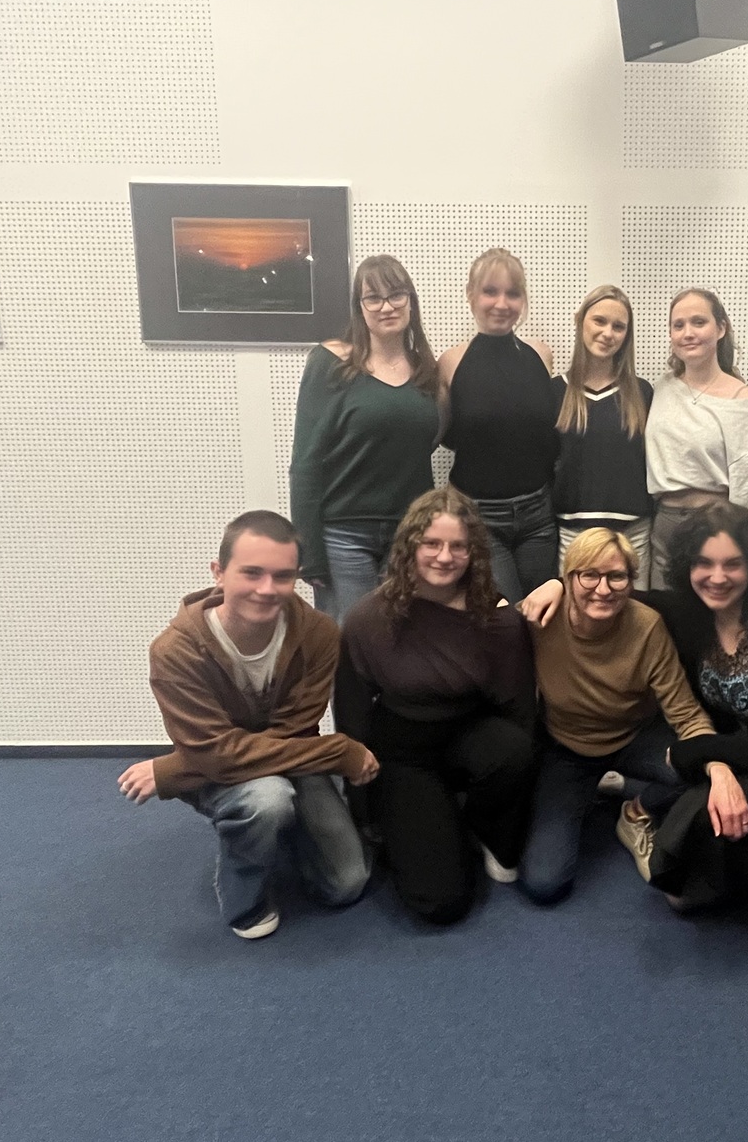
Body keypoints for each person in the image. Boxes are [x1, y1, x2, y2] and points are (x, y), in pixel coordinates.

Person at [524, 503, 748, 958]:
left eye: (732, 563)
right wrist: (557, 582)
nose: (717, 577)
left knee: (712, 817)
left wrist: (709, 756)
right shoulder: (691, 613)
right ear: (688, 567)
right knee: (680, 896)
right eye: (704, 563)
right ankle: (699, 830)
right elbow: (610, 592)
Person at [118, 510, 378, 940]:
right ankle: (245, 898)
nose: (267, 589)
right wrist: (339, 751)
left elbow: (290, 732)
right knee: (267, 799)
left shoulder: (319, 633)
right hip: (230, 773)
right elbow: (217, 757)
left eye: (282, 576)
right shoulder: (175, 652)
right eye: (251, 573)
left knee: (347, 883)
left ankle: (276, 831)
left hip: (277, 757)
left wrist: (174, 770)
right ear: (219, 573)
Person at [335, 488, 537, 925]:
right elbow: (351, 714)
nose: (445, 557)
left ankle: (478, 825)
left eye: (458, 546)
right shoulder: (368, 619)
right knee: (442, 903)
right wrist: (362, 805)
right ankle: (429, 818)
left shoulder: (496, 618)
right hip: (403, 749)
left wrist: (512, 804)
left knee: (514, 749)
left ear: (473, 552)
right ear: (410, 546)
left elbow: (519, 710)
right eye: (432, 543)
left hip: (470, 732)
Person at [518, 527, 715, 904]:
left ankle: (637, 809)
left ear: (631, 581)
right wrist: (548, 586)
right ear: (569, 577)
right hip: (567, 749)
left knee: (702, 773)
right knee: (544, 883)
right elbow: (490, 624)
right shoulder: (543, 616)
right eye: (589, 575)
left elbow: (686, 713)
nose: (603, 589)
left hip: (636, 738)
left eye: (616, 576)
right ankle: (605, 785)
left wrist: (717, 765)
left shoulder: (647, 625)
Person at [291, 254, 442, 621]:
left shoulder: (426, 370)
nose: (387, 307)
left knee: (402, 640)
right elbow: (306, 462)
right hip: (344, 538)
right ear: (359, 307)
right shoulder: (330, 363)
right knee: (352, 641)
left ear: (411, 301)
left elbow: (427, 444)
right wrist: (309, 552)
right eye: (373, 298)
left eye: (396, 295)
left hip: (409, 534)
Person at [439, 248, 558, 601]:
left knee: (541, 617)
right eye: (490, 291)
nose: (502, 303)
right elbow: (439, 435)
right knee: (504, 617)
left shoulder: (541, 356)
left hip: (538, 515)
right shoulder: (450, 362)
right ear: (471, 295)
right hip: (480, 517)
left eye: (513, 293)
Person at [644, 288, 748, 591]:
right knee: (666, 615)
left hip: (714, 526)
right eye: (678, 325)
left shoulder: (742, 401)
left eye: (698, 322)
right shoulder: (663, 388)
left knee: (712, 616)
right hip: (664, 527)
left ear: (721, 328)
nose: (688, 333)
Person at [552, 284, 655, 582]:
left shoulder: (642, 393)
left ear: (627, 335)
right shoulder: (555, 391)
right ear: (580, 321)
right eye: (599, 321)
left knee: (636, 608)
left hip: (632, 531)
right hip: (574, 532)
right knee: (576, 610)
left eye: (618, 326)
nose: (608, 333)